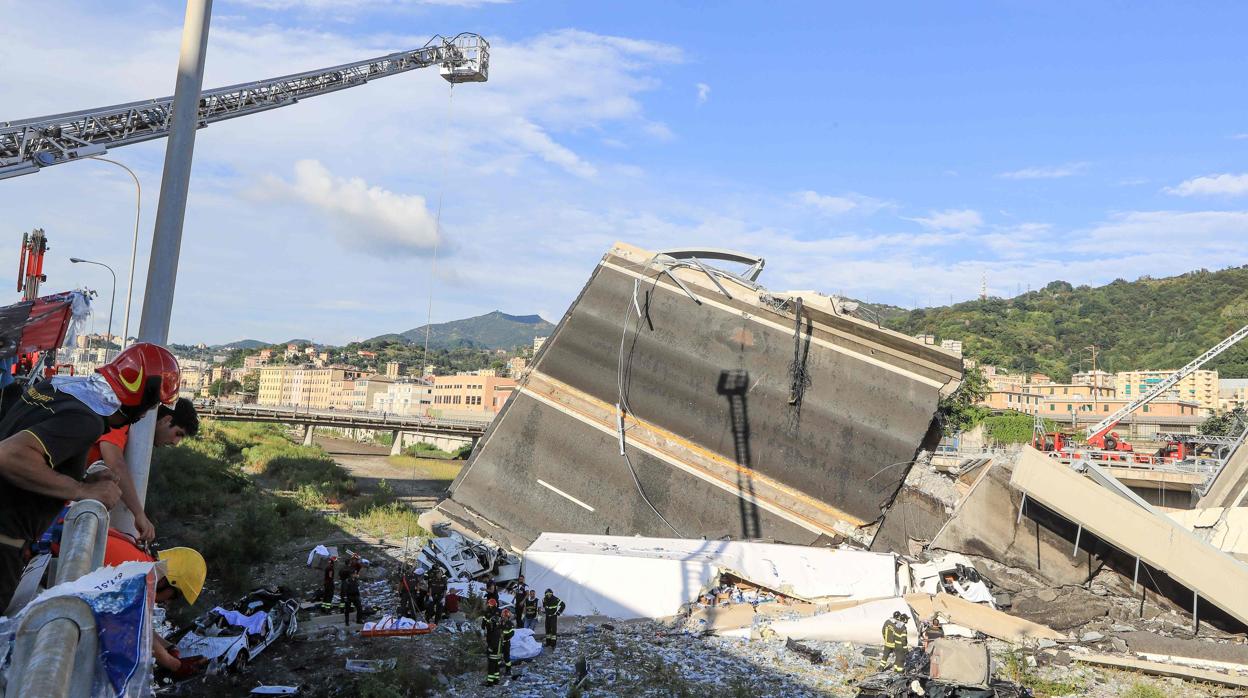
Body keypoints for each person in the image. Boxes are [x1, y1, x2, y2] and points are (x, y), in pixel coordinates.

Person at [0, 343, 179, 609]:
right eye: (152, 405)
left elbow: (36, 449)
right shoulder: (87, 419)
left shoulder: (55, 389)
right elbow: (9, 455)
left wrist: (82, 478)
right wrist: (81, 491)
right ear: (143, 399)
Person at [86, 397, 198, 542]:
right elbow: (115, 463)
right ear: (166, 420)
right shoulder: (122, 420)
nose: (176, 442)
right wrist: (139, 514)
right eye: (178, 434)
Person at [103, 529, 208, 679]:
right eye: (175, 596)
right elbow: (133, 630)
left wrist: (168, 647)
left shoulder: (142, 562)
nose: (168, 602)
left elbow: (139, 623)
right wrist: (175, 665)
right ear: (169, 580)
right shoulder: (140, 578)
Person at [481, 600, 503, 686]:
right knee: (496, 664)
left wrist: (489, 649)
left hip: (494, 649)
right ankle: (496, 680)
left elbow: (493, 643)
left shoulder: (494, 632)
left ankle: (490, 682)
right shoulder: (498, 629)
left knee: (492, 665)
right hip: (498, 649)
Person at [500, 606, 516, 680]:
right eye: (503, 616)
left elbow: (512, 633)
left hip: (506, 642)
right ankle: (497, 669)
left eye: (505, 616)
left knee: (506, 657)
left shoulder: (510, 624)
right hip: (499, 642)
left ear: (508, 616)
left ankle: (508, 670)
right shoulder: (500, 622)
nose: (503, 617)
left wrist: (505, 636)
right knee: (498, 656)